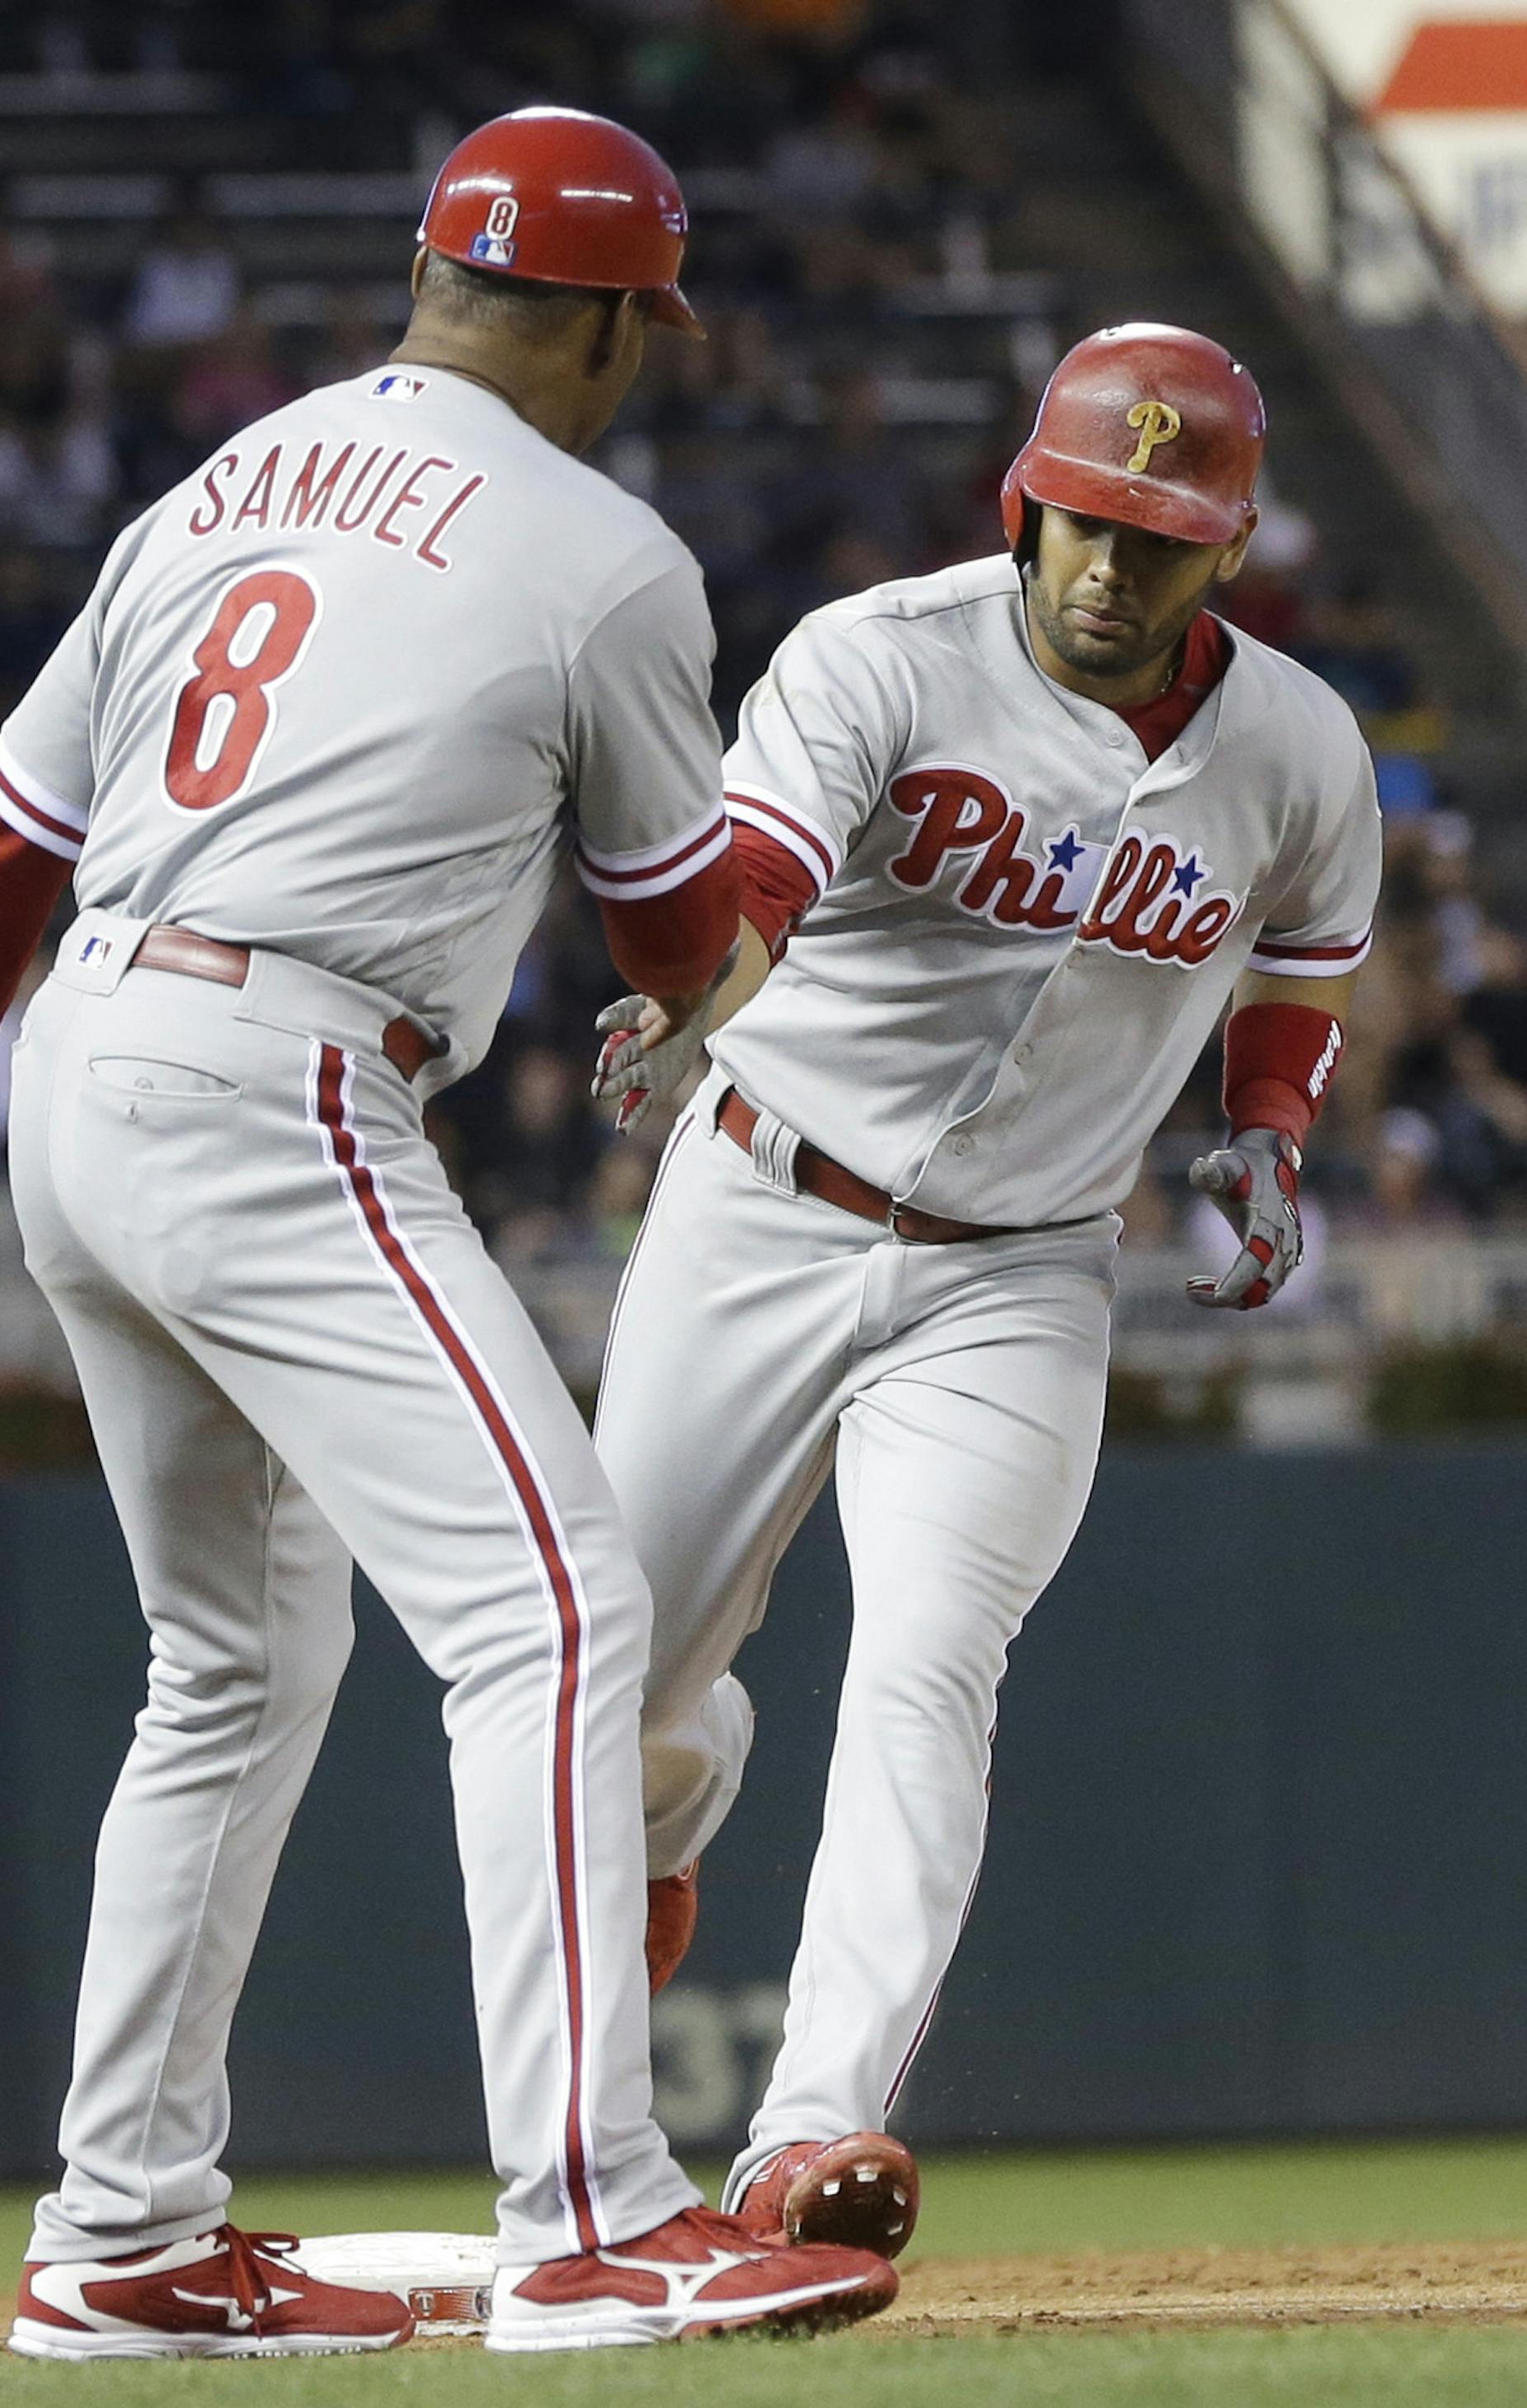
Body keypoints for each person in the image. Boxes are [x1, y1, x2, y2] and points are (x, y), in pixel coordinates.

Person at [0, 108, 897, 2359]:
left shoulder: (210, 494)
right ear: (619, 319)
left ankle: (121, 2229)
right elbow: (665, 928)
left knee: (228, 1673)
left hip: (83, 1076)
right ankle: (597, 2215)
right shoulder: (601, 549)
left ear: (433, 276)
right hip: (276, 1077)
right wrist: (761, 957)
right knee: (552, 1605)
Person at [590, 324, 1381, 2258]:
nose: (1115, 567)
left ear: (1234, 549)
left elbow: (1307, 956)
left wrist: (1270, 1123)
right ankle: (681, 1804)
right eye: (1091, 521)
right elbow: (760, 865)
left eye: (1163, 537)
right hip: (765, 1203)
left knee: (932, 1661)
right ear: (1022, 505)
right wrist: (700, 971)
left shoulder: (1299, 747)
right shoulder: (883, 656)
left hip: (1021, 1270)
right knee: (621, 1687)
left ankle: (810, 2128)